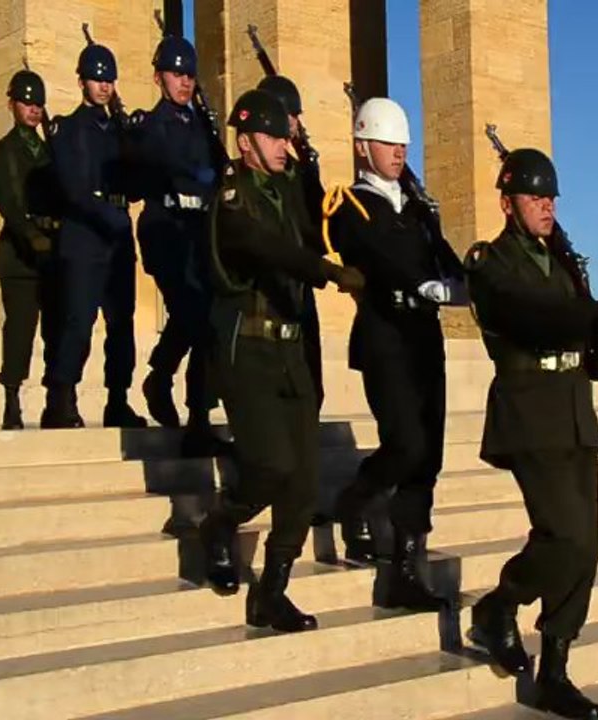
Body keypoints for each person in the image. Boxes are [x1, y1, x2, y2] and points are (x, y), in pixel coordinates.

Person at [462, 148, 598, 720]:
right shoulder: (491, 262)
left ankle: (556, 672)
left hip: (572, 410)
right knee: (563, 535)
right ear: (506, 203)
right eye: (534, 197)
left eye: (550, 197)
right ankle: (501, 603)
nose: (546, 206)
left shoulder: (564, 262)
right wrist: (596, 313)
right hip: (527, 412)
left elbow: (574, 329)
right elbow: (531, 315)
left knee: (583, 548)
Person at [196, 88, 365, 633]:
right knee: (271, 464)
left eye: (284, 134)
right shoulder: (231, 196)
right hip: (248, 349)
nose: (282, 144)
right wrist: (327, 271)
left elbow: (318, 221)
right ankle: (222, 521)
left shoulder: (289, 188)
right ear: (245, 143)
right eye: (272, 136)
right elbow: (265, 248)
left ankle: (272, 590)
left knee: (304, 480)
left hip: (292, 348)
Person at [328, 97, 466, 611]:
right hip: (385, 336)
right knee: (405, 443)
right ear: (364, 146)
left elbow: (443, 254)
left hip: (423, 338)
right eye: (388, 143)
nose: (398, 152)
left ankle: (407, 567)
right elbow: (374, 255)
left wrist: (469, 282)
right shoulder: (352, 205)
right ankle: (356, 499)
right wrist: (422, 284)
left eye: (403, 144)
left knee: (428, 455)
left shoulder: (419, 205)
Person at [40, 40, 146, 429]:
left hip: (118, 235)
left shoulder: (119, 130)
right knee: (78, 321)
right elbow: (72, 188)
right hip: (85, 235)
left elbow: (137, 184)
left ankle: (117, 400)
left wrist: (137, 145)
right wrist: (106, 213)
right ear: (82, 82)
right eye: (96, 79)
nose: (103, 86)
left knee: (122, 325)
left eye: (108, 80)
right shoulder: (68, 129)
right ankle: (61, 398)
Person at [132, 34, 227, 454]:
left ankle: (160, 375)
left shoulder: (202, 124)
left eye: (190, 74)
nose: (185, 81)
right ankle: (198, 422)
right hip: (166, 232)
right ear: (159, 78)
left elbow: (220, 169)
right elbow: (162, 167)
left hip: (199, 234)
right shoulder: (152, 126)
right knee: (197, 319)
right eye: (177, 73)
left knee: (197, 316)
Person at [0, 69, 61, 430]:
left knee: (58, 331)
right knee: (20, 330)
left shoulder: (51, 150)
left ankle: (57, 400)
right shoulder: (2, 153)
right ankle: (11, 399)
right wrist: (34, 238)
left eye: (38, 103)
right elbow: (11, 203)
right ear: (12, 104)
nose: (34, 109)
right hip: (21, 256)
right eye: (27, 102)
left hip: (55, 254)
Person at [257, 74, 327, 409]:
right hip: (268, 291)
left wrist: (311, 169)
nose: (295, 123)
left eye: (296, 117)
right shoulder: (252, 176)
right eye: (290, 115)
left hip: (300, 285)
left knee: (312, 382)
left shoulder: (299, 173)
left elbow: (322, 224)